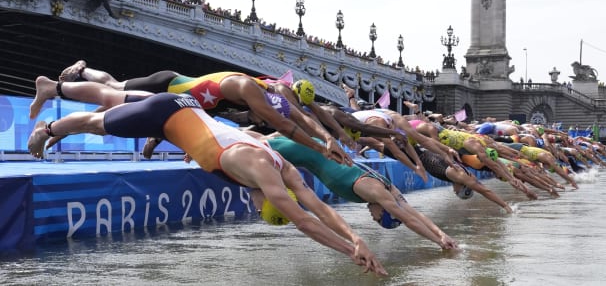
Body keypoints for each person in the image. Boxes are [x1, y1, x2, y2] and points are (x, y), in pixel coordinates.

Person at [27, 90, 386, 275]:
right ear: (271, 200)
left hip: (186, 114)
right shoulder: (261, 168)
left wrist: (356, 237)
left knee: (109, 103)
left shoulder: (285, 169)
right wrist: (352, 251)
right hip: (167, 111)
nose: (253, 205)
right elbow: (305, 219)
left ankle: (62, 125)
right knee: (95, 121)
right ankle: (48, 129)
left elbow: (319, 207)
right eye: (261, 207)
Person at [53, 63, 347, 163]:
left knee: (122, 105)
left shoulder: (271, 94)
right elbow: (284, 124)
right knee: (114, 89)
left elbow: (299, 118)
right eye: (261, 116)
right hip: (167, 84)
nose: (258, 121)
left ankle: (154, 138)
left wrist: (325, 138)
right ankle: (82, 70)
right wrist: (321, 148)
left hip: (179, 103)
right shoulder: (250, 90)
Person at [260, 135, 460, 249]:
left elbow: (413, 213)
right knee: (254, 146)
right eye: (379, 220)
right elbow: (409, 220)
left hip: (309, 148)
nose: (373, 219)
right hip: (300, 151)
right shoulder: (375, 191)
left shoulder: (389, 187)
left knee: (254, 140)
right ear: (384, 211)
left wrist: (442, 235)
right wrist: (438, 242)